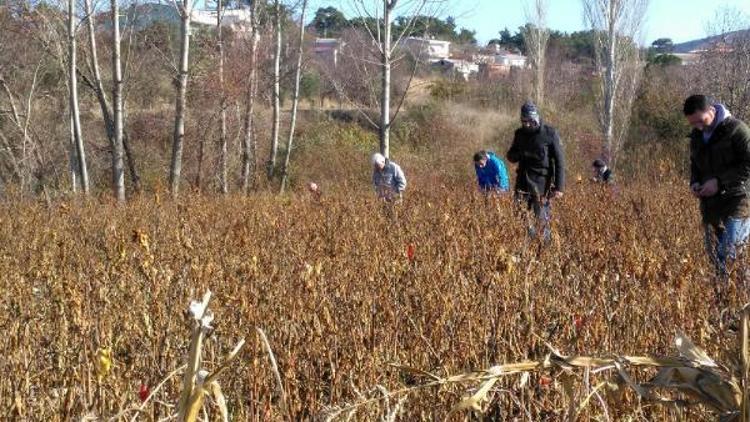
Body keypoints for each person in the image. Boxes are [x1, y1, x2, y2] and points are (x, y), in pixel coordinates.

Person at [684, 94, 750, 274]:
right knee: (715, 261)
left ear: (711, 110)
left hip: (739, 201)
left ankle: (742, 299)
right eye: (693, 124)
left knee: (730, 255)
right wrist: (695, 183)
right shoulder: (697, 137)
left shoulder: (737, 130)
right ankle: (725, 301)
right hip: (710, 207)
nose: (698, 126)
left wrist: (719, 182)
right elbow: (695, 165)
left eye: (700, 120)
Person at [506, 101, 565, 242]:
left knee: (541, 217)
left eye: (529, 121)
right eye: (523, 121)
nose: (526, 124)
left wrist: (559, 187)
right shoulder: (519, 134)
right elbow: (511, 155)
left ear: (535, 118)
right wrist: (520, 154)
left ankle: (546, 248)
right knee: (520, 215)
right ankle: (529, 243)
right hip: (522, 181)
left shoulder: (550, 134)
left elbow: (560, 161)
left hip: (541, 183)